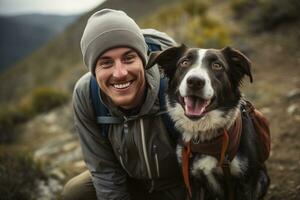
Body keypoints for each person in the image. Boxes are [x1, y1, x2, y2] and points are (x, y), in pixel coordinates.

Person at [61, 9, 186, 200]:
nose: (119, 73)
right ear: (94, 70)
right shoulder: (86, 94)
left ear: (143, 59)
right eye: (106, 63)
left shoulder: (174, 84)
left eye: (129, 58)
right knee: (76, 192)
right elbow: (105, 172)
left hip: (181, 185)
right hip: (132, 183)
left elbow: (203, 166)